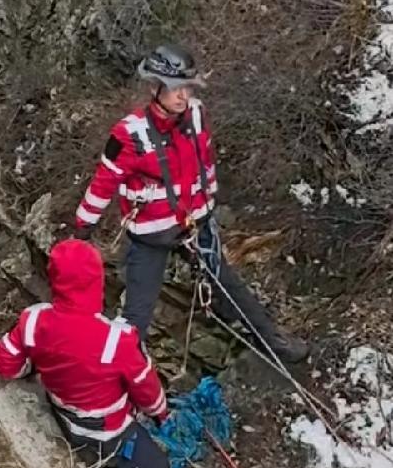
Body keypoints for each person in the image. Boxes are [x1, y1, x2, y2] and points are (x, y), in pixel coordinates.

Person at [74, 43, 308, 364]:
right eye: (174, 89)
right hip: (151, 235)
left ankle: (272, 341)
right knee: (137, 315)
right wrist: (84, 226)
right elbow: (104, 182)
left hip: (194, 222)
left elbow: (205, 160)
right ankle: (113, 383)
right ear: (155, 88)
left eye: (186, 88)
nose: (182, 96)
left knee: (228, 284)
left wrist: (207, 201)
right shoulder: (129, 134)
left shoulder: (196, 114)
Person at [0, 238, 172, 468]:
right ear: (96, 283)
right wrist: (161, 414)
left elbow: (4, 363)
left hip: (65, 419)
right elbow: (147, 390)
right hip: (109, 431)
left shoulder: (34, 320)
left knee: (123, 463)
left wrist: (30, 366)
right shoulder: (118, 340)